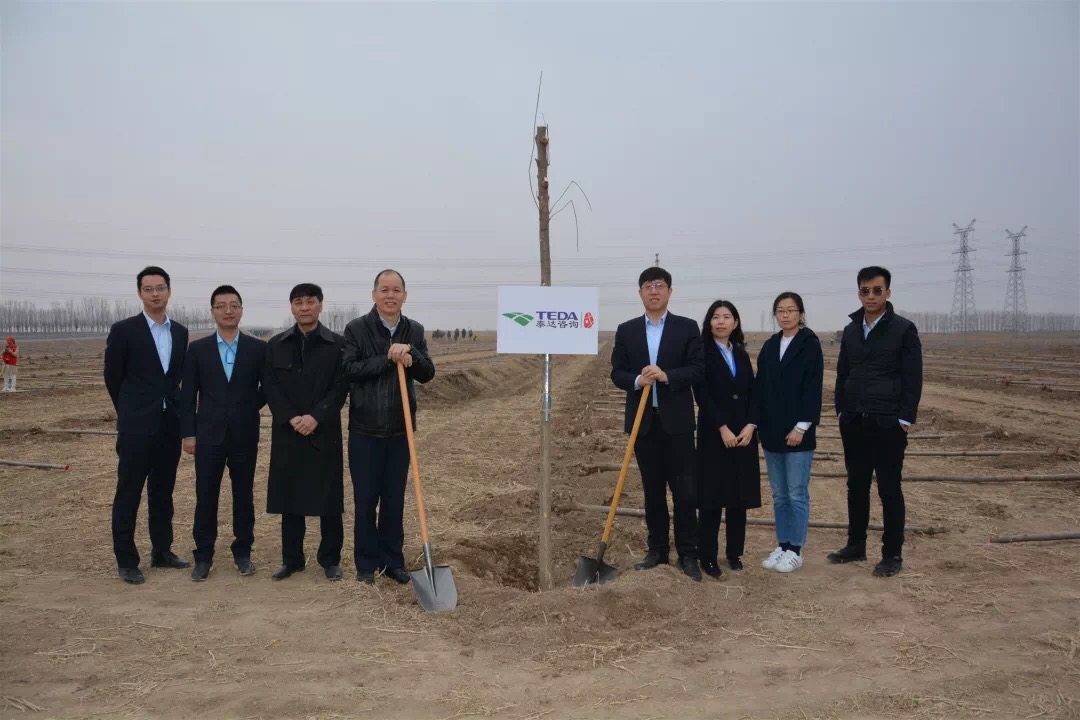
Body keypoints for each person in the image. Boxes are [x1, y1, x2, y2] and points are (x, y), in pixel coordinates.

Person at [341, 269, 435, 584]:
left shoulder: (414, 330)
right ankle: (366, 565)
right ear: (374, 295)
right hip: (364, 430)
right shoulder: (356, 329)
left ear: (404, 296)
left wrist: (412, 355)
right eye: (384, 289)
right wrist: (387, 358)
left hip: (399, 430)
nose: (390, 295)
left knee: (394, 500)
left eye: (396, 290)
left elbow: (427, 373)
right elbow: (349, 369)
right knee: (366, 500)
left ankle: (392, 561)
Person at [611, 267, 705, 581]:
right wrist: (638, 380)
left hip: (677, 424)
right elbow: (617, 372)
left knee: (685, 492)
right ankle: (657, 550)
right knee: (652, 491)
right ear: (640, 293)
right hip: (643, 425)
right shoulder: (627, 330)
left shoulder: (687, 328)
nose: (654, 291)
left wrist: (667, 376)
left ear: (669, 292)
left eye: (660, 285)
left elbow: (697, 368)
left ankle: (688, 554)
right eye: (648, 286)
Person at [829, 266, 923, 577]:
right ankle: (856, 545)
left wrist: (904, 419)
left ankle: (892, 554)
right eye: (865, 290)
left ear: (888, 292)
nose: (870, 296)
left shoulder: (903, 329)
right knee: (856, 485)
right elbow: (843, 373)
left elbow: (913, 378)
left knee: (889, 489)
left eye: (877, 290)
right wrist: (841, 410)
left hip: (887, 423)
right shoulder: (851, 330)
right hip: (854, 420)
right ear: (859, 293)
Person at [103, 266, 190, 585]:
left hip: (169, 424)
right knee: (129, 491)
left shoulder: (180, 332)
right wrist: (130, 411)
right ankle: (127, 560)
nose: (155, 294)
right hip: (136, 426)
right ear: (140, 293)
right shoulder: (124, 330)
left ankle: (162, 551)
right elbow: (113, 377)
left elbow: (175, 378)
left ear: (169, 291)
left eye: (160, 288)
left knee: (163, 491)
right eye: (149, 288)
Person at [180, 285, 267, 581]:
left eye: (233, 305)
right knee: (206, 496)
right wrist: (189, 434)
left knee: (243, 495)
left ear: (241, 310)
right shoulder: (198, 350)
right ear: (212, 312)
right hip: (208, 436)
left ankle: (243, 552)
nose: (228, 311)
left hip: (244, 434)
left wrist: (246, 406)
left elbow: (267, 387)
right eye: (221, 306)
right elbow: (188, 395)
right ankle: (203, 556)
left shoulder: (257, 348)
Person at [263, 283, 348, 581]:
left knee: (329, 499)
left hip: (324, 432)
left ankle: (330, 560)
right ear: (291, 307)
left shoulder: (338, 345)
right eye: (298, 302)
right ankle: (292, 559)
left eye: (310, 301)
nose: (304, 307)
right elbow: (270, 386)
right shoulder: (276, 345)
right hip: (288, 432)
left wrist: (316, 417)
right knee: (290, 497)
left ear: (320, 305)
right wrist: (291, 417)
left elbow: (341, 386)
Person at [755, 292, 823, 574]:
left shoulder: (810, 344)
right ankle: (782, 545)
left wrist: (801, 427)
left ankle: (796, 549)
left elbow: (812, 387)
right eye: (780, 311)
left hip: (798, 433)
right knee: (780, 495)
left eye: (791, 310)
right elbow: (761, 386)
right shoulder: (770, 345)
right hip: (772, 431)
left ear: (801, 314)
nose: (785, 315)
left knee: (796, 493)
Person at [693, 300, 760, 578]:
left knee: (738, 497)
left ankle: (735, 553)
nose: (721, 321)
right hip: (714, 433)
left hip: (743, 434)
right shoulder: (701, 353)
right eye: (715, 317)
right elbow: (702, 393)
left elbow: (752, 391)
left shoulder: (741, 353)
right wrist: (722, 427)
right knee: (711, 497)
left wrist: (751, 426)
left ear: (735, 323)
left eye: (727, 317)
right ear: (709, 322)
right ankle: (707, 557)